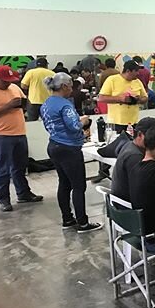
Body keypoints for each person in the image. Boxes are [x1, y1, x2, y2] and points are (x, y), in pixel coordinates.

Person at [40, 73, 102, 233]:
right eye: (70, 86)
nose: (72, 90)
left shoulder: (46, 103)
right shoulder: (65, 105)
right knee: (79, 186)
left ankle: (67, 218)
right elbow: (74, 126)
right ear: (64, 87)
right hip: (69, 149)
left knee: (64, 183)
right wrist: (85, 121)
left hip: (54, 145)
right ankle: (82, 223)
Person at [0, 65, 43, 212]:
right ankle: (4, 199)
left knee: (19, 167)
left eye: (10, 80)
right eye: (5, 81)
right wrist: (9, 105)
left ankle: (23, 193)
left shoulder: (14, 88)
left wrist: (25, 104)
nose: (8, 83)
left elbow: (24, 102)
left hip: (19, 132)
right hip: (0, 135)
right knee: (3, 170)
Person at [111, 117, 155, 201]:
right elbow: (142, 189)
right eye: (152, 137)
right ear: (140, 135)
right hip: (128, 206)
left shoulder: (129, 145)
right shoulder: (134, 156)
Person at [98, 60, 147, 132]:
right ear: (128, 71)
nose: (138, 73)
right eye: (135, 71)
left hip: (134, 122)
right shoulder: (112, 80)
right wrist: (120, 99)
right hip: (116, 122)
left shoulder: (137, 81)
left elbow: (145, 97)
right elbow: (101, 98)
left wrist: (139, 99)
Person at [20, 57, 54, 121]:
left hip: (33, 101)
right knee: (47, 121)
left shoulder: (31, 72)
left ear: (36, 65)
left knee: (32, 121)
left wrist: (32, 86)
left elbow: (23, 86)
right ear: (46, 65)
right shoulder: (52, 73)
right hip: (48, 102)